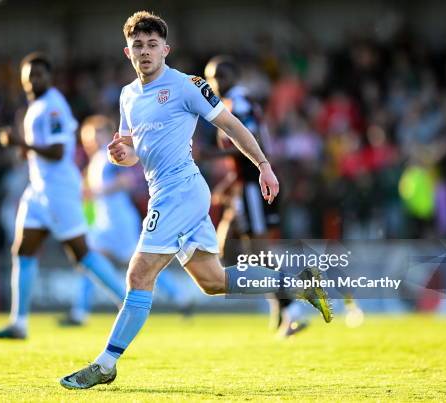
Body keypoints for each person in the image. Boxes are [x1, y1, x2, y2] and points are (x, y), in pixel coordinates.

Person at [60, 11, 332, 389]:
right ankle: (295, 284)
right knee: (213, 280)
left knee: (139, 274)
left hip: (181, 191)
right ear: (127, 52)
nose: (145, 52)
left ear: (165, 49)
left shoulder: (188, 85)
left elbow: (231, 126)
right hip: (168, 192)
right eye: (138, 45)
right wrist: (121, 155)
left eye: (152, 45)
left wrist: (264, 166)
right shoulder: (127, 96)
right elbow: (132, 148)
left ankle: (106, 363)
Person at [0, 52, 125, 340]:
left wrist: (20, 142)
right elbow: (40, 150)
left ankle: (129, 302)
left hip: (59, 190)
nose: (33, 80)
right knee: (23, 251)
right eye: (29, 75)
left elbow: (59, 151)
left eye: (39, 74)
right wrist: (23, 147)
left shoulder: (53, 106)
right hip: (38, 189)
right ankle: (19, 323)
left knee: (82, 254)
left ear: (49, 77)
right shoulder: (35, 106)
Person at [204, 55, 308, 337]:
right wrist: (229, 181)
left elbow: (251, 144)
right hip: (241, 186)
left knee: (261, 254)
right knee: (226, 248)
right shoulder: (229, 104)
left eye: (221, 76)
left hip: (253, 185)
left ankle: (292, 309)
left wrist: (209, 154)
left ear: (234, 78)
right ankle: (281, 306)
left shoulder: (241, 102)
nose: (216, 83)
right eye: (211, 78)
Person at [61, 115, 192, 326]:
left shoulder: (109, 157)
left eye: (95, 135)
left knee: (137, 264)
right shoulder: (97, 161)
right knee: (90, 260)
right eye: (87, 138)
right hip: (106, 223)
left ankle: (177, 296)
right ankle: (81, 312)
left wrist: (94, 192)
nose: (90, 141)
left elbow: (128, 180)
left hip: (119, 222)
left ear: (106, 134)